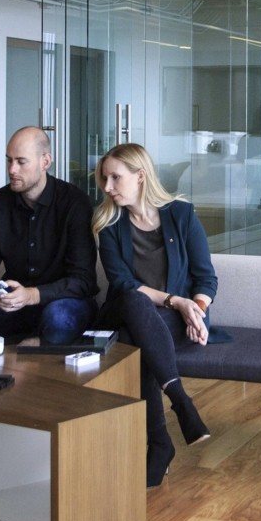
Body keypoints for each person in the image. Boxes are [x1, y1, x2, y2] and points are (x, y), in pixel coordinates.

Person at [93, 142, 216, 487]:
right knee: (135, 300)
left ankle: (160, 444)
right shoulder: (108, 224)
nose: (108, 187)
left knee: (138, 342)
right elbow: (121, 283)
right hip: (121, 312)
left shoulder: (181, 215)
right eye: (105, 179)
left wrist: (197, 310)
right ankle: (180, 401)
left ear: (141, 176)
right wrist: (177, 301)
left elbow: (206, 278)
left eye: (116, 178)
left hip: (161, 325)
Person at [0, 126, 99, 345]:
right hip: (11, 302)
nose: (12, 169)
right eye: (9, 160)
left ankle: (35, 344)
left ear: (45, 161)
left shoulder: (74, 203)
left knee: (58, 319)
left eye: (21, 161)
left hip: (65, 302)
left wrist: (32, 295)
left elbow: (83, 281)